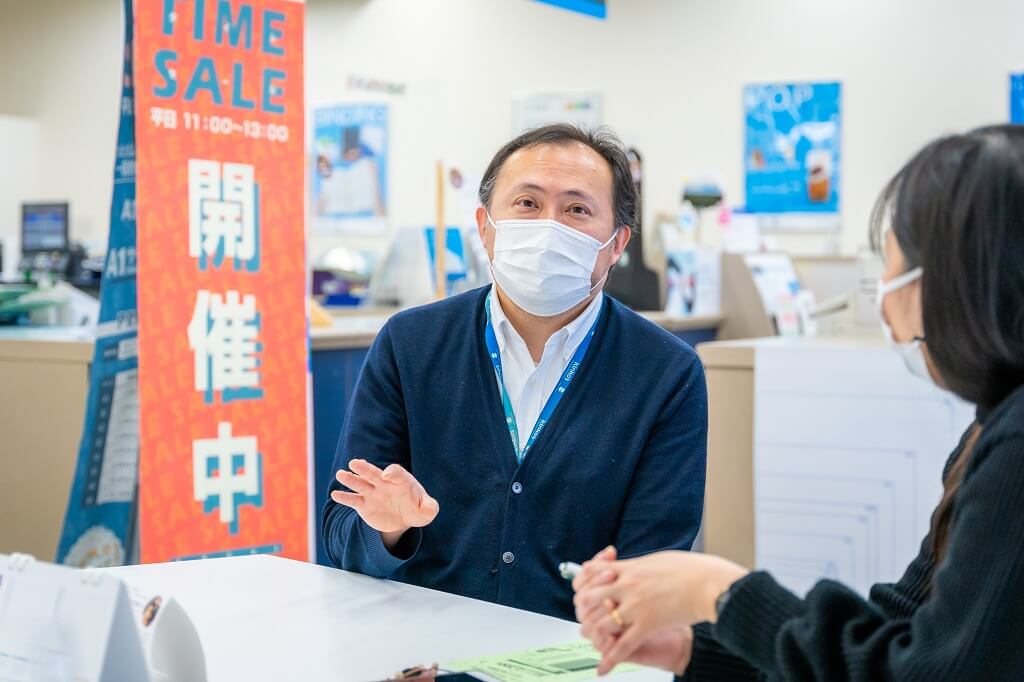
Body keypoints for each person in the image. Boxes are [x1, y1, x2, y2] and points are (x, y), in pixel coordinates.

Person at [573, 125, 1024, 678]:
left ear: (963, 279)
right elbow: (898, 633)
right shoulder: (992, 427)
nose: (883, 298)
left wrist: (721, 592)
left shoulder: (1015, 445)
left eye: (891, 264)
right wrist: (697, 650)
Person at [322, 124, 708, 621]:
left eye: (577, 209)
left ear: (617, 244)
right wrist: (388, 529)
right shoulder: (410, 344)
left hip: (578, 662)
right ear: (485, 226)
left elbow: (655, 571)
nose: (550, 227)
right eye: (527, 203)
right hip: (424, 653)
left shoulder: (666, 372)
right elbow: (339, 537)